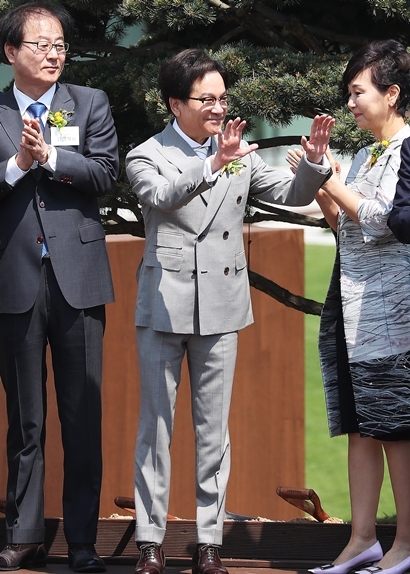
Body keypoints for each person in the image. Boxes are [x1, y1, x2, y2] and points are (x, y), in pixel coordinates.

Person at [125, 47, 333, 574]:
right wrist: (214, 162)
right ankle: (150, 542)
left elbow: (288, 193)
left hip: (221, 305)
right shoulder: (146, 153)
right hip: (165, 304)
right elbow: (162, 196)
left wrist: (313, 163)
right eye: (206, 99)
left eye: (223, 98)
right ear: (176, 103)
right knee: (156, 428)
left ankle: (209, 541)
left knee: (214, 432)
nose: (219, 108)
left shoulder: (240, 153)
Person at [0, 2, 119, 572]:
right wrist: (17, 165)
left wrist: (51, 157)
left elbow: (105, 173)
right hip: (15, 281)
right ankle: (23, 534)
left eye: (59, 46)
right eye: (40, 44)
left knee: (81, 414)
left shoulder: (87, 103)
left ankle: (82, 542)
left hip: (78, 279)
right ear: (10, 52)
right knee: (26, 417)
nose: (52, 53)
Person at [292, 39, 410, 574]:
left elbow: (387, 219)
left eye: (358, 92)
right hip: (352, 309)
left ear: (392, 93)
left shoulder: (408, 148)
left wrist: (335, 183)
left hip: (394, 317)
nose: (350, 104)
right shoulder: (365, 154)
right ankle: (362, 539)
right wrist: (323, 188)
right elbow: (351, 231)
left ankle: (404, 544)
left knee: (394, 426)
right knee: (359, 425)